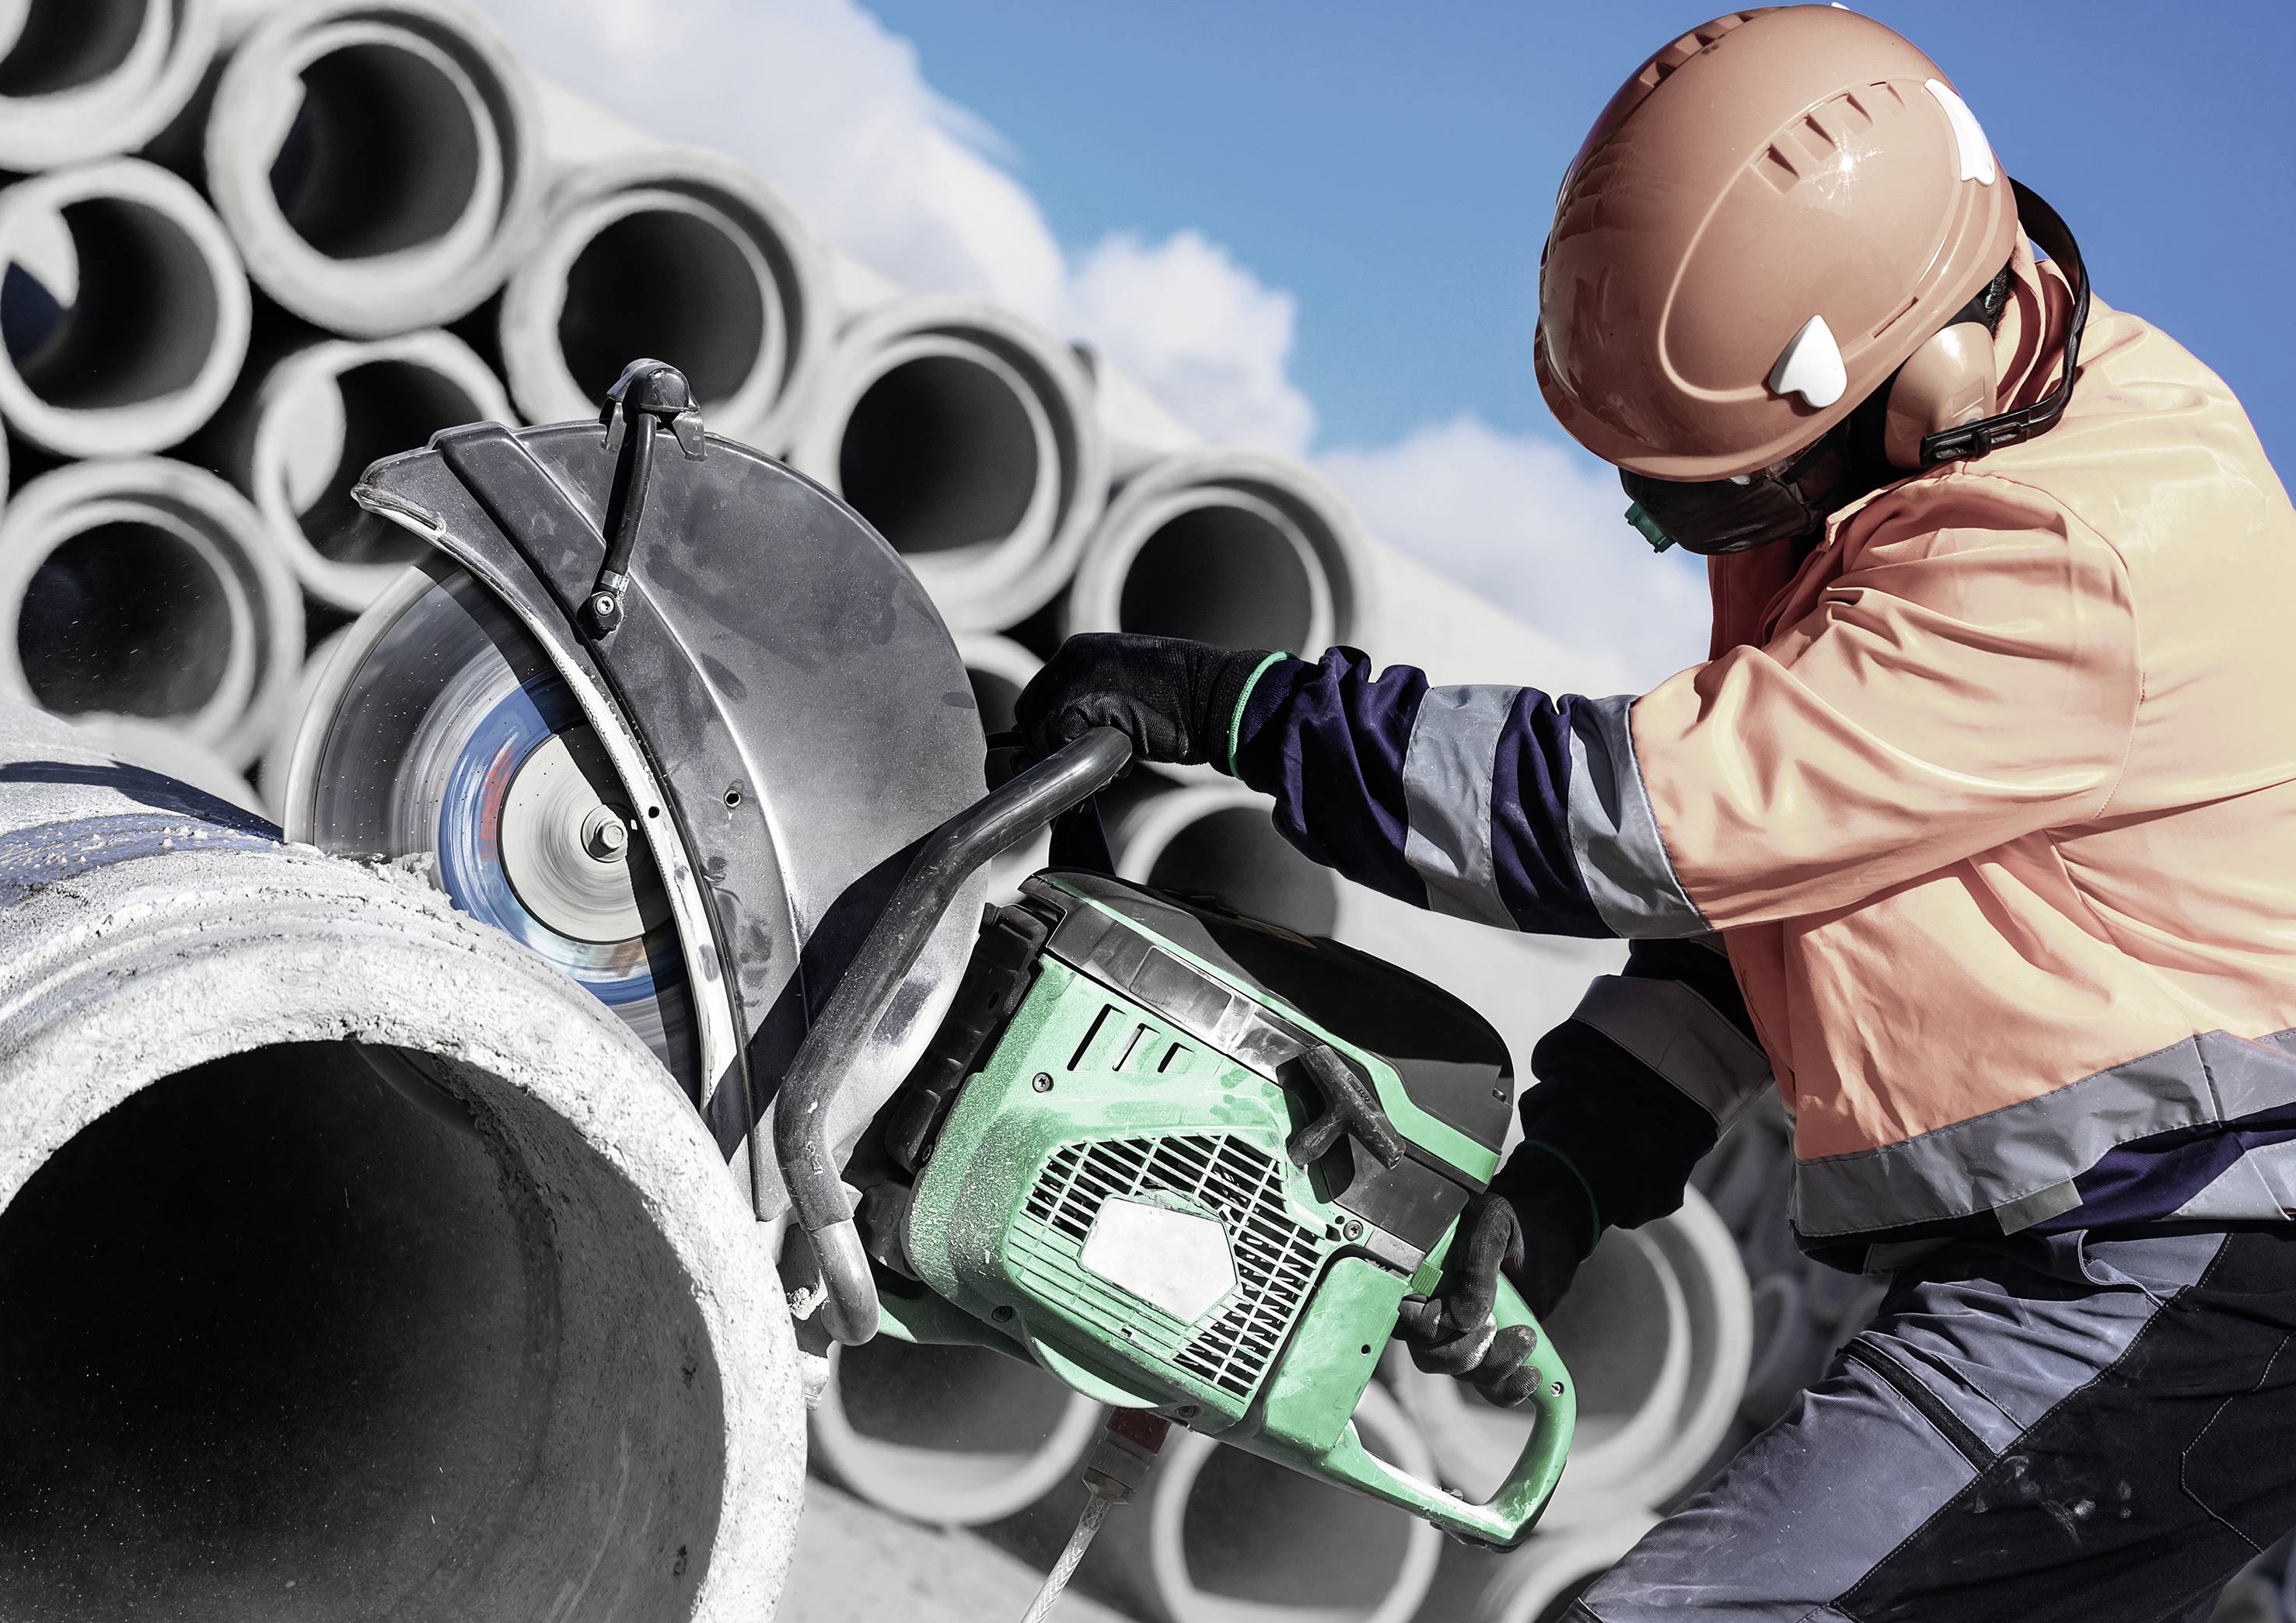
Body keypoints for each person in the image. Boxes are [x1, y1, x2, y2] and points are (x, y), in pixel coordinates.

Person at [1015, 8, 2296, 1618]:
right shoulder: (1899, 465)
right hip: (2081, 1253)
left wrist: (1244, 711)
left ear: (1907, 380)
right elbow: (1769, 913)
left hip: (2192, 1273)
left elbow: (1641, 819)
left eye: (1713, 492)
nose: (1679, 535)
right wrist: (1569, 1180)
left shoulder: (2070, 557)